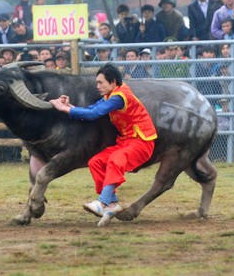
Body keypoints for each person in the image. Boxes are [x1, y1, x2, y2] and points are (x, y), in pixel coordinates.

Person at [49, 63, 157, 226]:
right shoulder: (111, 94)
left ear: (113, 82)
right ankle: (112, 204)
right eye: (97, 82)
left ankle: (103, 202)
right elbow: (93, 109)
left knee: (115, 159)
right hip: (127, 142)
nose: (97, 86)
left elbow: (93, 114)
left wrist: (64, 110)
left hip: (142, 142)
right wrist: (69, 107)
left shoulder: (119, 97)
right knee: (96, 162)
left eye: (101, 82)